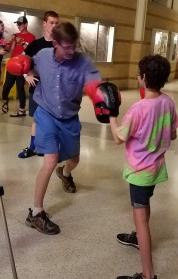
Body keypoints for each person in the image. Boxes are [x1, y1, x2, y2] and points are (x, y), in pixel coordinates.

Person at [109, 55, 178, 279]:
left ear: (144, 78)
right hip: (156, 169)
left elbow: (119, 138)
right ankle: (138, 238)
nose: (138, 76)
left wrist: (111, 114)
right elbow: (173, 135)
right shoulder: (168, 102)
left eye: (139, 74)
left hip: (139, 172)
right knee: (144, 203)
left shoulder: (139, 108)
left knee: (140, 218)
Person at [22, 22, 102, 234]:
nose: (71, 51)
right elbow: (27, 63)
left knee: (74, 160)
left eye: (73, 46)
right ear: (55, 43)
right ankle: (36, 213)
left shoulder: (82, 61)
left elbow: (95, 82)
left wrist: (100, 94)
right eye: (66, 47)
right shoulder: (43, 55)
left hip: (69, 117)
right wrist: (26, 72)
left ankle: (65, 173)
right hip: (46, 113)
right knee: (49, 159)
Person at [18, 11, 59, 159]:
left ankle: (49, 148)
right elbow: (21, 61)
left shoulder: (60, 44)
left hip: (55, 91)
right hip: (37, 89)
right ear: (45, 24)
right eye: (52, 22)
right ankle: (33, 147)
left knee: (54, 120)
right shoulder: (35, 44)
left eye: (56, 23)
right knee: (37, 119)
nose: (54, 26)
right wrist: (26, 74)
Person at [1, 16, 35, 115]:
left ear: (26, 24)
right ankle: (5, 102)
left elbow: (31, 51)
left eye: (20, 24)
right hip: (12, 64)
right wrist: (10, 43)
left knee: (20, 87)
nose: (18, 26)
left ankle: (21, 109)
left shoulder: (31, 37)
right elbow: (11, 50)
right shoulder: (15, 35)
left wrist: (22, 42)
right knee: (7, 86)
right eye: (17, 24)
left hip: (23, 66)